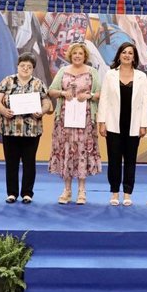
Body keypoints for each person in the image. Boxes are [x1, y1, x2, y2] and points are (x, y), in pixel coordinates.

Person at [0, 53, 53, 204]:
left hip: (32, 130)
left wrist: (42, 111)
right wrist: (3, 111)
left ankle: (27, 193)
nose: (25, 68)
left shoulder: (38, 83)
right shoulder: (7, 81)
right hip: (9, 129)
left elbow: (47, 102)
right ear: (17, 66)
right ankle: (12, 193)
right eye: (22, 66)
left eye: (29, 66)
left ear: (33, 68)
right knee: (11, 162)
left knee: (29, 162)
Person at [47, 42, 101, 205]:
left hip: (85, 120)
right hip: (65, 121)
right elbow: (51, 90)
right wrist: (63, 93)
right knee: (67, 151)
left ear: (85, 56)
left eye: (81, 53)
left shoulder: (92, 72)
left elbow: (99, 92)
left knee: (82, 151)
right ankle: (67, 190)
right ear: (71, 55)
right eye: (75, 53)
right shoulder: (63, 71)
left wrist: (89, 95)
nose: (78, 56)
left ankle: (82, 191)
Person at [97, 42, 147, 206]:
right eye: (124, 52)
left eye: (130, 53)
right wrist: (102, 121)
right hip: (113, 124)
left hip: (134, 125)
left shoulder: (141, 76)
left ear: (134, 57)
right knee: (113, 161)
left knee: (130, 161)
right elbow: (104, 99)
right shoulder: (110, 74)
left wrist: (144, 124)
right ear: (119, 54)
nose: (127, 55)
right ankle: (114, 193)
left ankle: (127, 193)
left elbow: (145, 101)